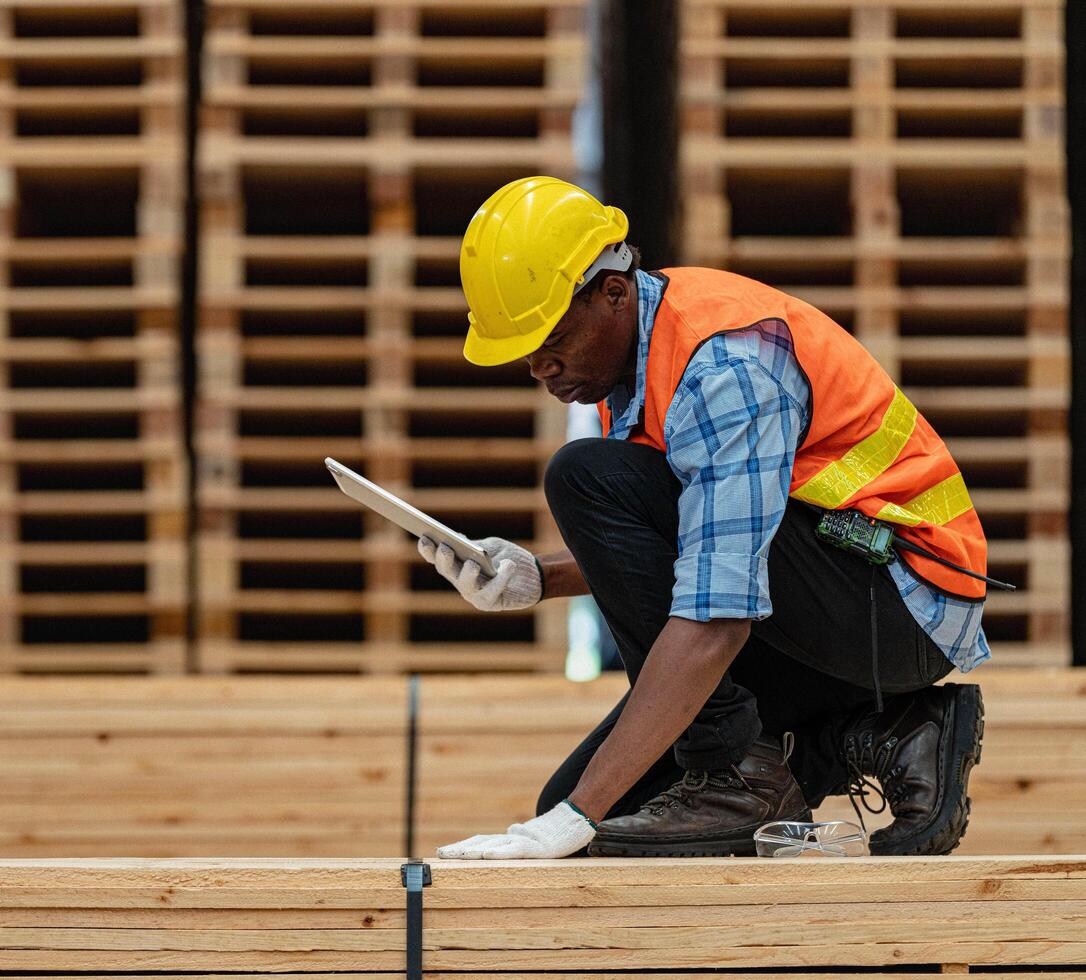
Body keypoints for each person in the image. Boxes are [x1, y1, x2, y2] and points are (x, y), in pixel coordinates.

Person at [425, 176, 992, 858]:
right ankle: (881, 733)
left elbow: (719, 609)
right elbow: (710, 536)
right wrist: (540, 580)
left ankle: (738, 775)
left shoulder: (723, 367)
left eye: (551, 340)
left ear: (612, 293)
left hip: (898, 604)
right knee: (606, 816)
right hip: (826, 606)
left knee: (583, 479)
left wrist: (578, 813)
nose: (542, 368)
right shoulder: (624, 364)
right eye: (525, 354)